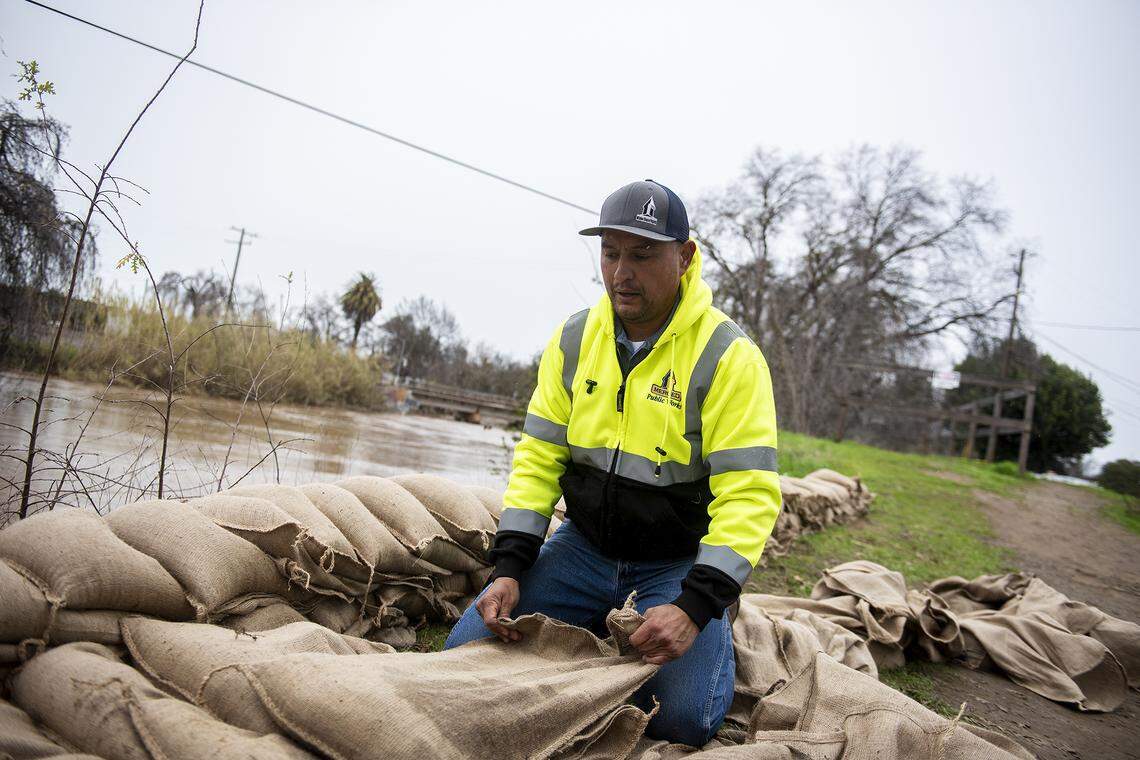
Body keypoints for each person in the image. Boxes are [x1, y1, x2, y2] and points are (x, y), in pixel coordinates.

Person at [445, 179, 781, 746]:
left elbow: (749, 495)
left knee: (682, 720)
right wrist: (509, 567)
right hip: (584, 549)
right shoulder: (575, 340)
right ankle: (599, 630)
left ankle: (716, 621)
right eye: (611, 253)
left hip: (675, 564)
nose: (622, 271)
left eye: (643, 254)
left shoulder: (729, 357)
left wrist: (696, 606)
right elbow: (537, 458)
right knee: (462, 656)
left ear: (685, 256)